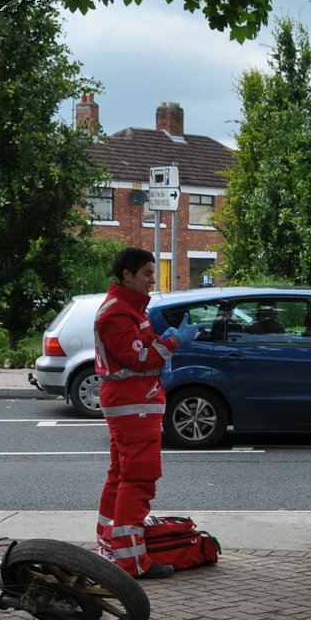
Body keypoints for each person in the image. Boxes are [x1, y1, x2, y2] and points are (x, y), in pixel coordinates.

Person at [94, 246, 200, 579]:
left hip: (135, 402)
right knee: (139, 478)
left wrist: (161, 339)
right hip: (133, 405)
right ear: (128, 274)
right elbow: (137, 357)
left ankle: (109, 542)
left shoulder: (129, 309)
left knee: (121, 474)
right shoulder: (117, 312)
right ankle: (130, 560)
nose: (153, 280)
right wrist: (173, 343)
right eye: (148, 274)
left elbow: (141, 347)